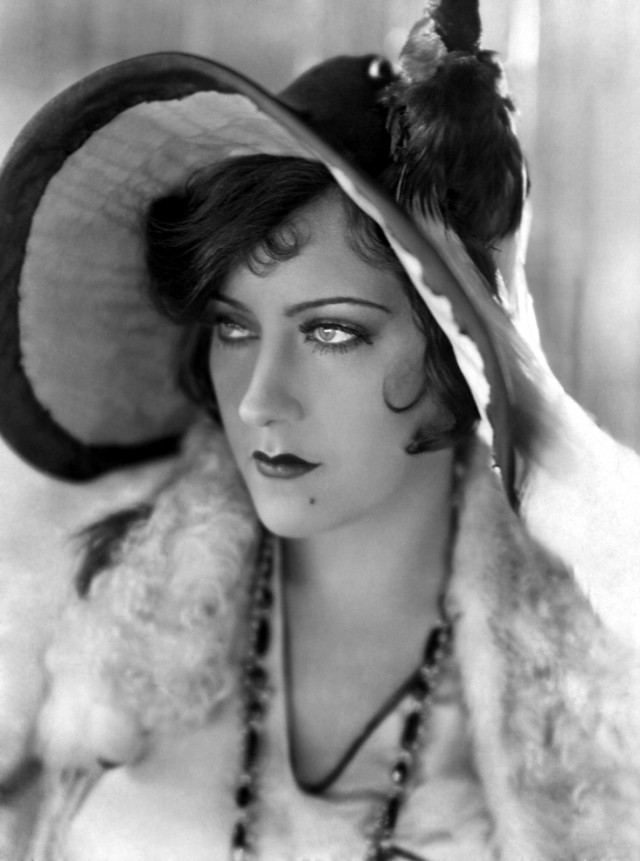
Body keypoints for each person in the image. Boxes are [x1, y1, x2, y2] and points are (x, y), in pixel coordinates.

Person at [0, 1, 639, 859]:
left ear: (455, 355)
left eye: (332, 332)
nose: (260, 399)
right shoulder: (76, 632)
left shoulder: (597, 700)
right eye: (233, 327)